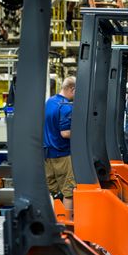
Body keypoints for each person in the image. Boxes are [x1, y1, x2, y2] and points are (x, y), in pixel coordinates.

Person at [43, 76, 76, 211]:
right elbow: (65, 133)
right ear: (72, 89)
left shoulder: (49, 102)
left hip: (47, 155)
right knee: (68, 192)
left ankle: (54, 220)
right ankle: (66, 224)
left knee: (52, 192)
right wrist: (82, 136)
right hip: (62, 155)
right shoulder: (66, 106)